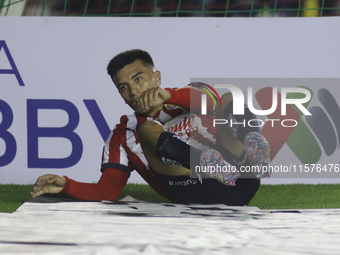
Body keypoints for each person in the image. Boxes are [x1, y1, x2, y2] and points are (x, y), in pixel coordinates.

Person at [30, 49, 270, 205]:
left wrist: (169, 95)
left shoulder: (186, 95)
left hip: (239, 179)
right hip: (194, 193)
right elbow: (108, 191)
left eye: (138, 79)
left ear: (157, 77)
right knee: (147, 130)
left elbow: (212, 101)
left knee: (229, 98)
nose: (133, 91)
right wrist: (66, 184)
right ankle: (205, 163)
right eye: (123, 87)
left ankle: (255, 144)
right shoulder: (122, 135)